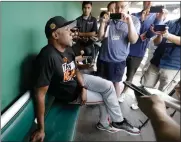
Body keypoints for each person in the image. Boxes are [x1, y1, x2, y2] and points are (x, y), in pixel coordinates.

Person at [30, 16, 140, 142]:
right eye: (68, 29)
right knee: (106, 98)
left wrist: (82, 86)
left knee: (109, 85)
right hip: (71, 94)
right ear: (55, 35)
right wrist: (41, 129)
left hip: (78, 82)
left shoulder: (67, 49)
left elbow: (75, 69)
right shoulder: (47, 56)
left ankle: (117, 121)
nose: (72, 32)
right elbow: (40, 95)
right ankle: (106, 123)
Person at [119, 1, 166, 103]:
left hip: (138, 52)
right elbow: (127, 30)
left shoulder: (155, 17)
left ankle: (123, 93)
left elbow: (150, 34)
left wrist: (158, 19)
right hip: (125, 49)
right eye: (146, 1)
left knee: (130, 75)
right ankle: (115, 89)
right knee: (119, 72)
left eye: (150, 1)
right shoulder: (135, 15)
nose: (148, 3)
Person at [97, 1, 141, 97]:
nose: (119, 10)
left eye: (122, 7)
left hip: (118, 61)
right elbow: (100, 37)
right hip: (103, 58)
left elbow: (133, 40)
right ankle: (102, 100)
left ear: (128, 5)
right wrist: (103, 23)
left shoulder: (134, 20)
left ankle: (114, 104)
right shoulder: (109, 19)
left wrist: (129, 22)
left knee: (115, 83)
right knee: (101, 82)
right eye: (117, 7)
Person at [141, 17, 181, 95]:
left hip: (173, 66)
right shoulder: (170, 22)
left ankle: (155, 107)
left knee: (162, 94)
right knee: (145, 87)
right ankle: (142, 104)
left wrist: (167, 35)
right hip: (156, 61)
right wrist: (159, 35)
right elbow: (156, 42)